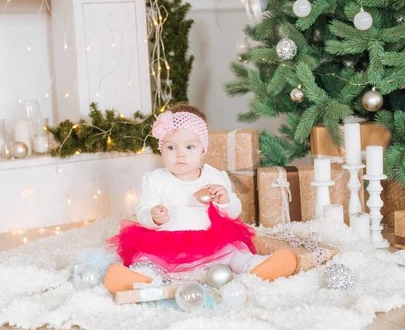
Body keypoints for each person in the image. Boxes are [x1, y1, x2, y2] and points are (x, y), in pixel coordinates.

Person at [104, 104, 297, 294]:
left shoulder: (214, 177)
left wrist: (223, 200)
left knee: (233, 251)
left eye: (189, 147)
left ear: (202, 150)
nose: (180, 154)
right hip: (166, 241)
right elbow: (143, 210)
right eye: (171, 147)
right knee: (146, 258)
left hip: (210, 240)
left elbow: (233, 212)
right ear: (161, 150)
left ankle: (255, 267)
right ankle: (141, 277)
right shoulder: (155, 179)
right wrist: (152, 215)